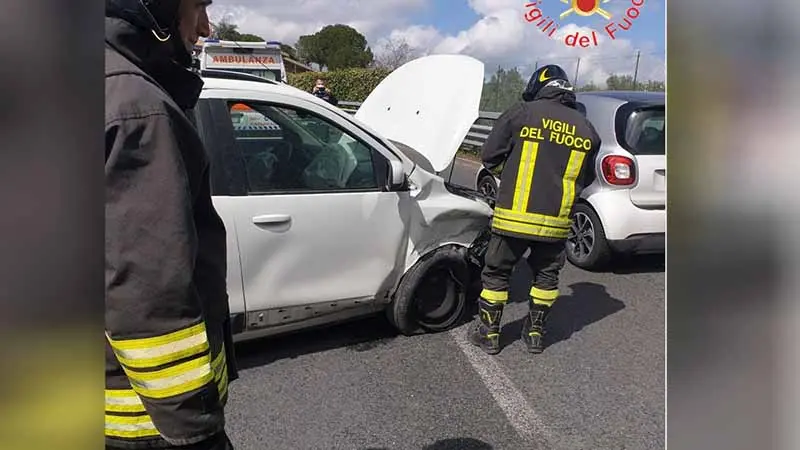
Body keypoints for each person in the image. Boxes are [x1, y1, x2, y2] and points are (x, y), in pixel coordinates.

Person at [105, 1, 238, 448]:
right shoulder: (137, 107)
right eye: (197, 5)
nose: (205, 27)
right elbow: (148, 294)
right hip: (142, 424)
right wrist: (194, 429)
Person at [469, 64, 601, 355]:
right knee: (546, 277)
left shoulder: (523, 113)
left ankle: (489, 334)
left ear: (538, 87)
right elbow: (587, 177)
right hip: (556, 222)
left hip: (513, 217)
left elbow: (490, 157)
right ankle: (535, 334)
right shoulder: (586, 128)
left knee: (497, 273)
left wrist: (509, 175)